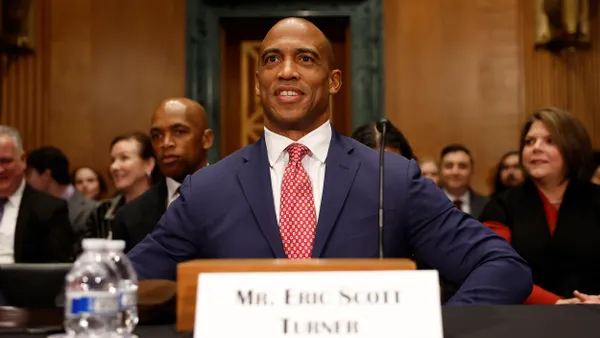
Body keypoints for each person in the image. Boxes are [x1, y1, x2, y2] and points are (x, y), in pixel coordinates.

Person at [128, 17, 532, 305]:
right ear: (257, 83)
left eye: (305, 59)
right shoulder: (208, 189)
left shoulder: (390, 179)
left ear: (334, 81)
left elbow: (501, 266)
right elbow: (123, 282)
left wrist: (431, 327)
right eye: (271, 60)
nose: (286, 71)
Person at [480, 107, 600, 305]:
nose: (536, 147)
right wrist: (555, 303)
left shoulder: (596, 199)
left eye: (550, 141)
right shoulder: (501, 206)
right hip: (526, 321)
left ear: (573, 147)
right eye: (529, 142)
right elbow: (495, 270)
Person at [112, 98, 213, 252]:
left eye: (179, 132)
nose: (165, 143)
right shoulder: (129, 216)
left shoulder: (241, 198)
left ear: (206, 139)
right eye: (157, 136)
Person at [0, 126, 74, 263]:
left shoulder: (50, 210)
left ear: (23, 160)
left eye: (5, 161)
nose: (0, 170)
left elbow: (54, 271)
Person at [25, 146, 96, 255]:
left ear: (46, 175)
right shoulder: (33, 207)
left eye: (29, 174)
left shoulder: (90, 209)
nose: (26, 180)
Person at [85, 132, 156, 239]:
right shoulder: (102, 210)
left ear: (149, 164)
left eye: (124, 158)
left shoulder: (166, 208)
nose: (114, 167)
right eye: (113, 160)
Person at [439, 144, 489, 218]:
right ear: (440, 171)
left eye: (462, 166)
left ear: (472, 172)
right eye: (449, 166)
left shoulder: (487, 205)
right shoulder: (428, 203)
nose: (455, 172)